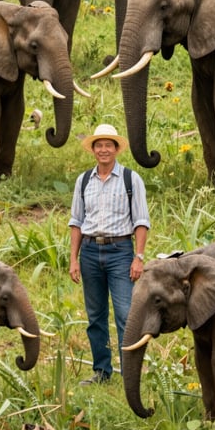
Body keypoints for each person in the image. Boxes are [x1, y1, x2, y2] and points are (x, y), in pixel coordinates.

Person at [69, 123, 150, 386]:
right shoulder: (83, 181)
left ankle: (129, 374)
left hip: (120, 251)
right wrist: (74, 259)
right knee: (95, 316)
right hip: (90, 251)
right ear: (93, 149)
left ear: (116, 149)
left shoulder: (130, 179)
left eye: (108, 145)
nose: (103, 150)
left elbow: (141, 220)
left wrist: (138, 257)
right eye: (99, 145)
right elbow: (76, 222)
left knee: (126, 314)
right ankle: (102, 371)